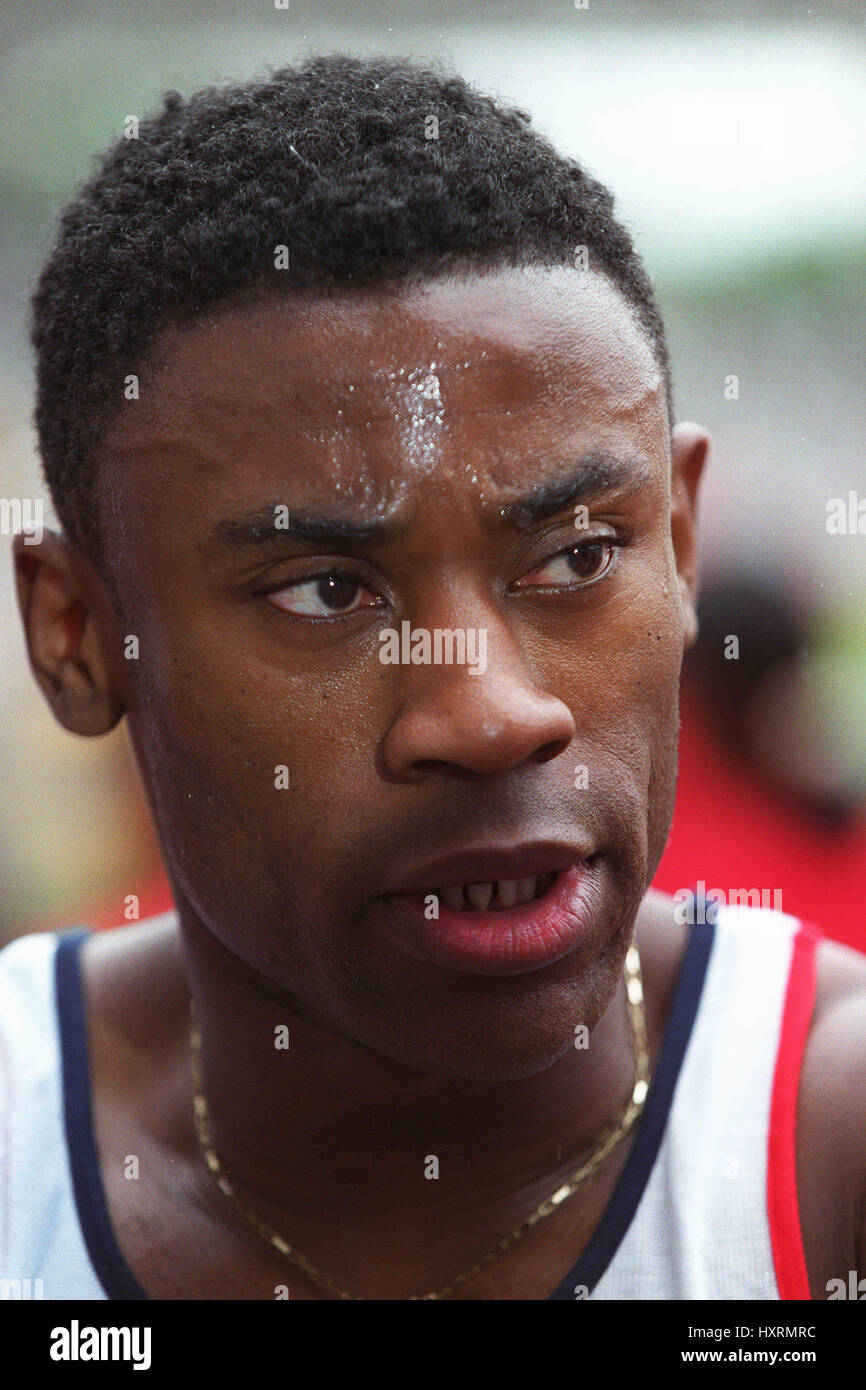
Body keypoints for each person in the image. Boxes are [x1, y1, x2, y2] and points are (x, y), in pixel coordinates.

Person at [3, 54, 864, 1302]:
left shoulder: (824, 1154)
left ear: (678, 548)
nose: (491, 713)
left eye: (573, 555)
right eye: (324, 589)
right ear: (77, 637)